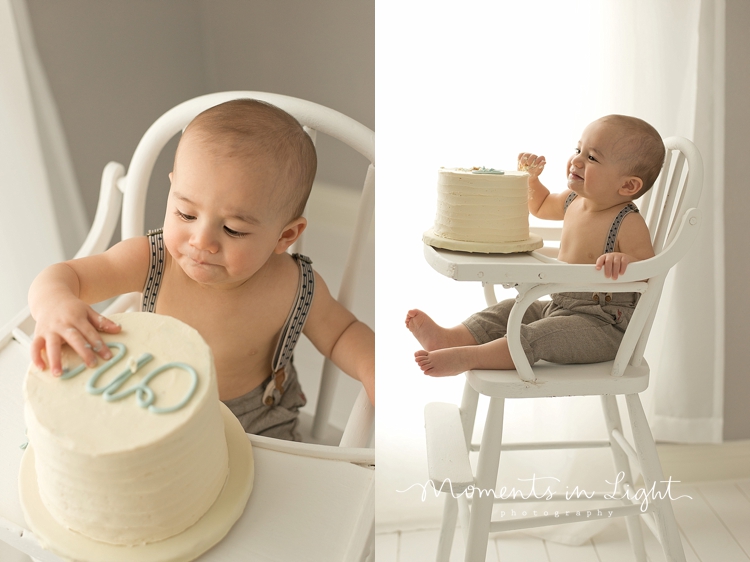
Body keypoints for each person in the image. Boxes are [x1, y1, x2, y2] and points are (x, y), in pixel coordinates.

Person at [29, 99, 374, 440]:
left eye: (233, 229)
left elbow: (342, 333)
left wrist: (375, 369)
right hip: (154, 399)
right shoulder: (153, 259)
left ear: (285, 235)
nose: (201, 241)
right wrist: (55, 303)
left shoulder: (293, 284)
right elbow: (67, 276)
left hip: (255, 422)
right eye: (186, 214)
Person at [406, 114, 664, 377]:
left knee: (534, 336)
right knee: (509, 310)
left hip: (603, 325)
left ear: (628, 185)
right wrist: (532, 180)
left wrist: (624, 260)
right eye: (578, 150)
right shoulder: (573, 200)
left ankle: (469, 357)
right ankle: (449, 338)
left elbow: (648, 267)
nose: (576, 160)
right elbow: (540, 206)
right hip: (560, 306)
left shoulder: (627, 221)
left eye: (592, 158)